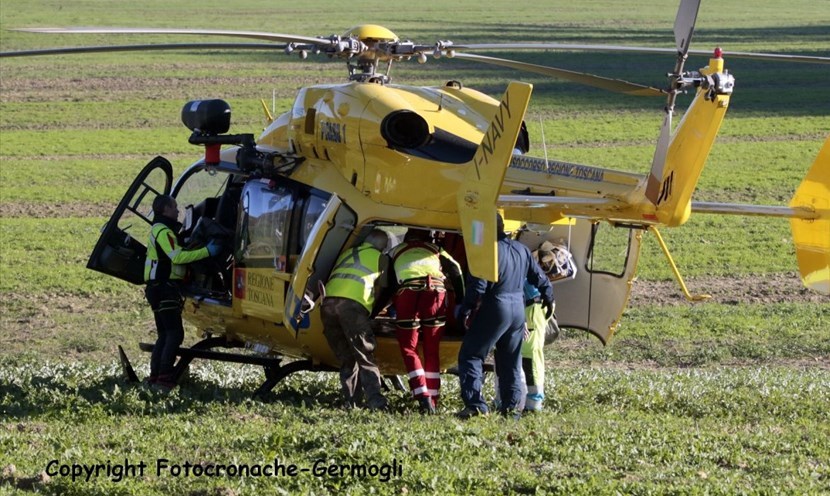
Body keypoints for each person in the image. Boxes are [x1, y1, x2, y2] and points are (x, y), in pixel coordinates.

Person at [455, 214, 553, 418]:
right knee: (510, 361)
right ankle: (510, 409)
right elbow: (540, 278)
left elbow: (479, 285)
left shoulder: (486, 251)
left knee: (471, 355)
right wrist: (548, 297)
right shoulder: (521, 249)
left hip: (495, 306)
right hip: (518, 310)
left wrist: (465, 309)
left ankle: (475, 406)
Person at [144, 195, 221, 390]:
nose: (178, 211)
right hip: (164, 288)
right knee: (174, 333)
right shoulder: (163, 231)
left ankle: (155, 376)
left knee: (164, 334)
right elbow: (177, 256)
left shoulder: (160, 229)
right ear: (165, 210)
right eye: (174, 207)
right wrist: (207, 251)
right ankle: (164, 377)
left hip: (157, 288)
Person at [387, 229, 464, 414]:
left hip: (407, 292)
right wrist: (461, 300)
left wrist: (382, 308)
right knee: (432, 349)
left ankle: (421, 396)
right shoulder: (435, 247)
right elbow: (455, 269)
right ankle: (433, 398)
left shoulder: (395, 251)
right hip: (435, 293)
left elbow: (388, 283)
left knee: (408, 347)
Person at [320, 229, 390, 411]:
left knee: (346, 358)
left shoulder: (347, 252)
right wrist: (374, 310)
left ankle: (352, 402)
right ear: (383, 247)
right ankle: (376, 402)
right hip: (351, 307)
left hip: (327, 305)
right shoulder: (381, 258)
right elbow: (382, 289)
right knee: (365, 355)